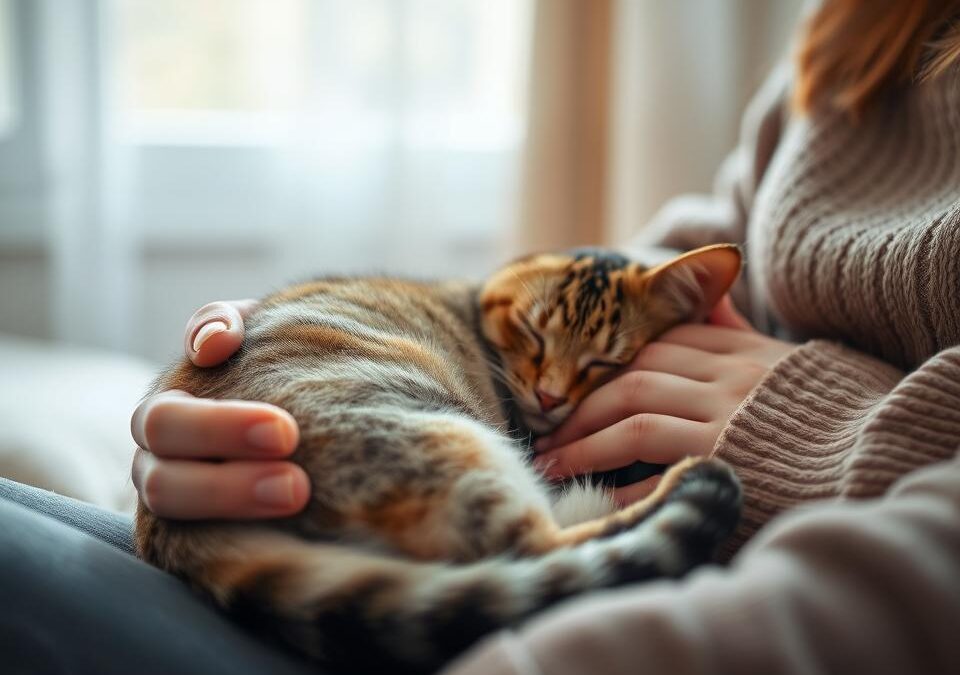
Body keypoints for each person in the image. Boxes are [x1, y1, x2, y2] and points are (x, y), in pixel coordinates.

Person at [3, 1, 958, 673]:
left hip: (624, 618)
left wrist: (821, 431)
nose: (548, 385)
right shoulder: (853, 29)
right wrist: (298, 341)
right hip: (479, 548)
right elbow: (682, 258)